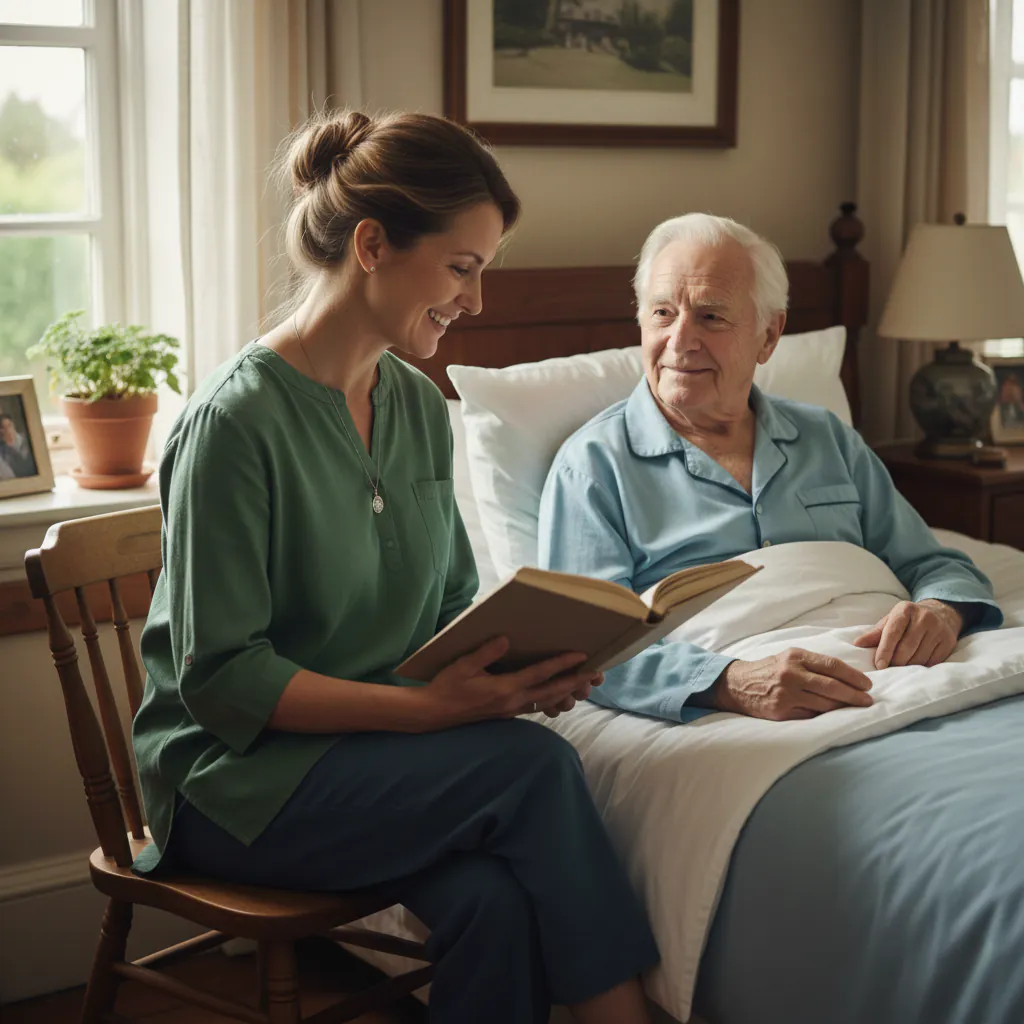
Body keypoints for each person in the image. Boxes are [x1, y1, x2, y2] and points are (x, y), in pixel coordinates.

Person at [132, 110, 658, 1024]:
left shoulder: (416, 404)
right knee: (532, 772)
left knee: (491, 902)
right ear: (372, 244)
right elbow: (222, 680)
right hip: (233, 785)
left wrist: (517, 672)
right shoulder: (233, 423)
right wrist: (426, 712)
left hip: (364, 758)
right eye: (462, 268)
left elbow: (447, 602)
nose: (476, 301)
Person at [539, 213, 1002, 724]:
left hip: (902, 680)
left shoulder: (826, 438)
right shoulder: (593, 466)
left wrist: (941, 610)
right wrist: (729, 682)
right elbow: (583, 646)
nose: (681, 340)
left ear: (769, 335)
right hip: (761, 707)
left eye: (711, 317)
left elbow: (934, 563)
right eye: (663, 313)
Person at [0, 410, 37, 478]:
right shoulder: (2, 450)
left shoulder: (28, 441)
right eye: (2, 427)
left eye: (9, 425)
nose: (7, 430)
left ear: (13, 425)